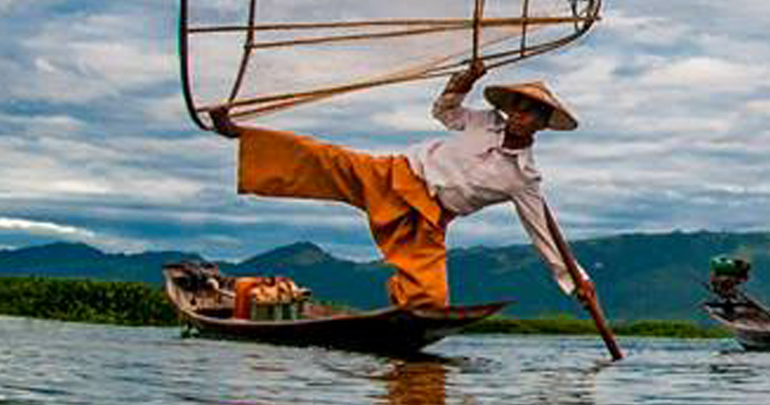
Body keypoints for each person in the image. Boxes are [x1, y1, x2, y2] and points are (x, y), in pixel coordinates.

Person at [208, 61, 597, 311]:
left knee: (430, 299)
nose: (519, 116)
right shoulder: (483, 121)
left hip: (427, 218)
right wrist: (461, 84)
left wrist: (577, 280)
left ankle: (397, 319)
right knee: (320, 156)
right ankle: (240, 133)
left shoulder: (524, 178)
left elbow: (543, 235)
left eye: (530, 113)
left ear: (542, 124)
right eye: (517, 107)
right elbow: (444, 112)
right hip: (396, 174)